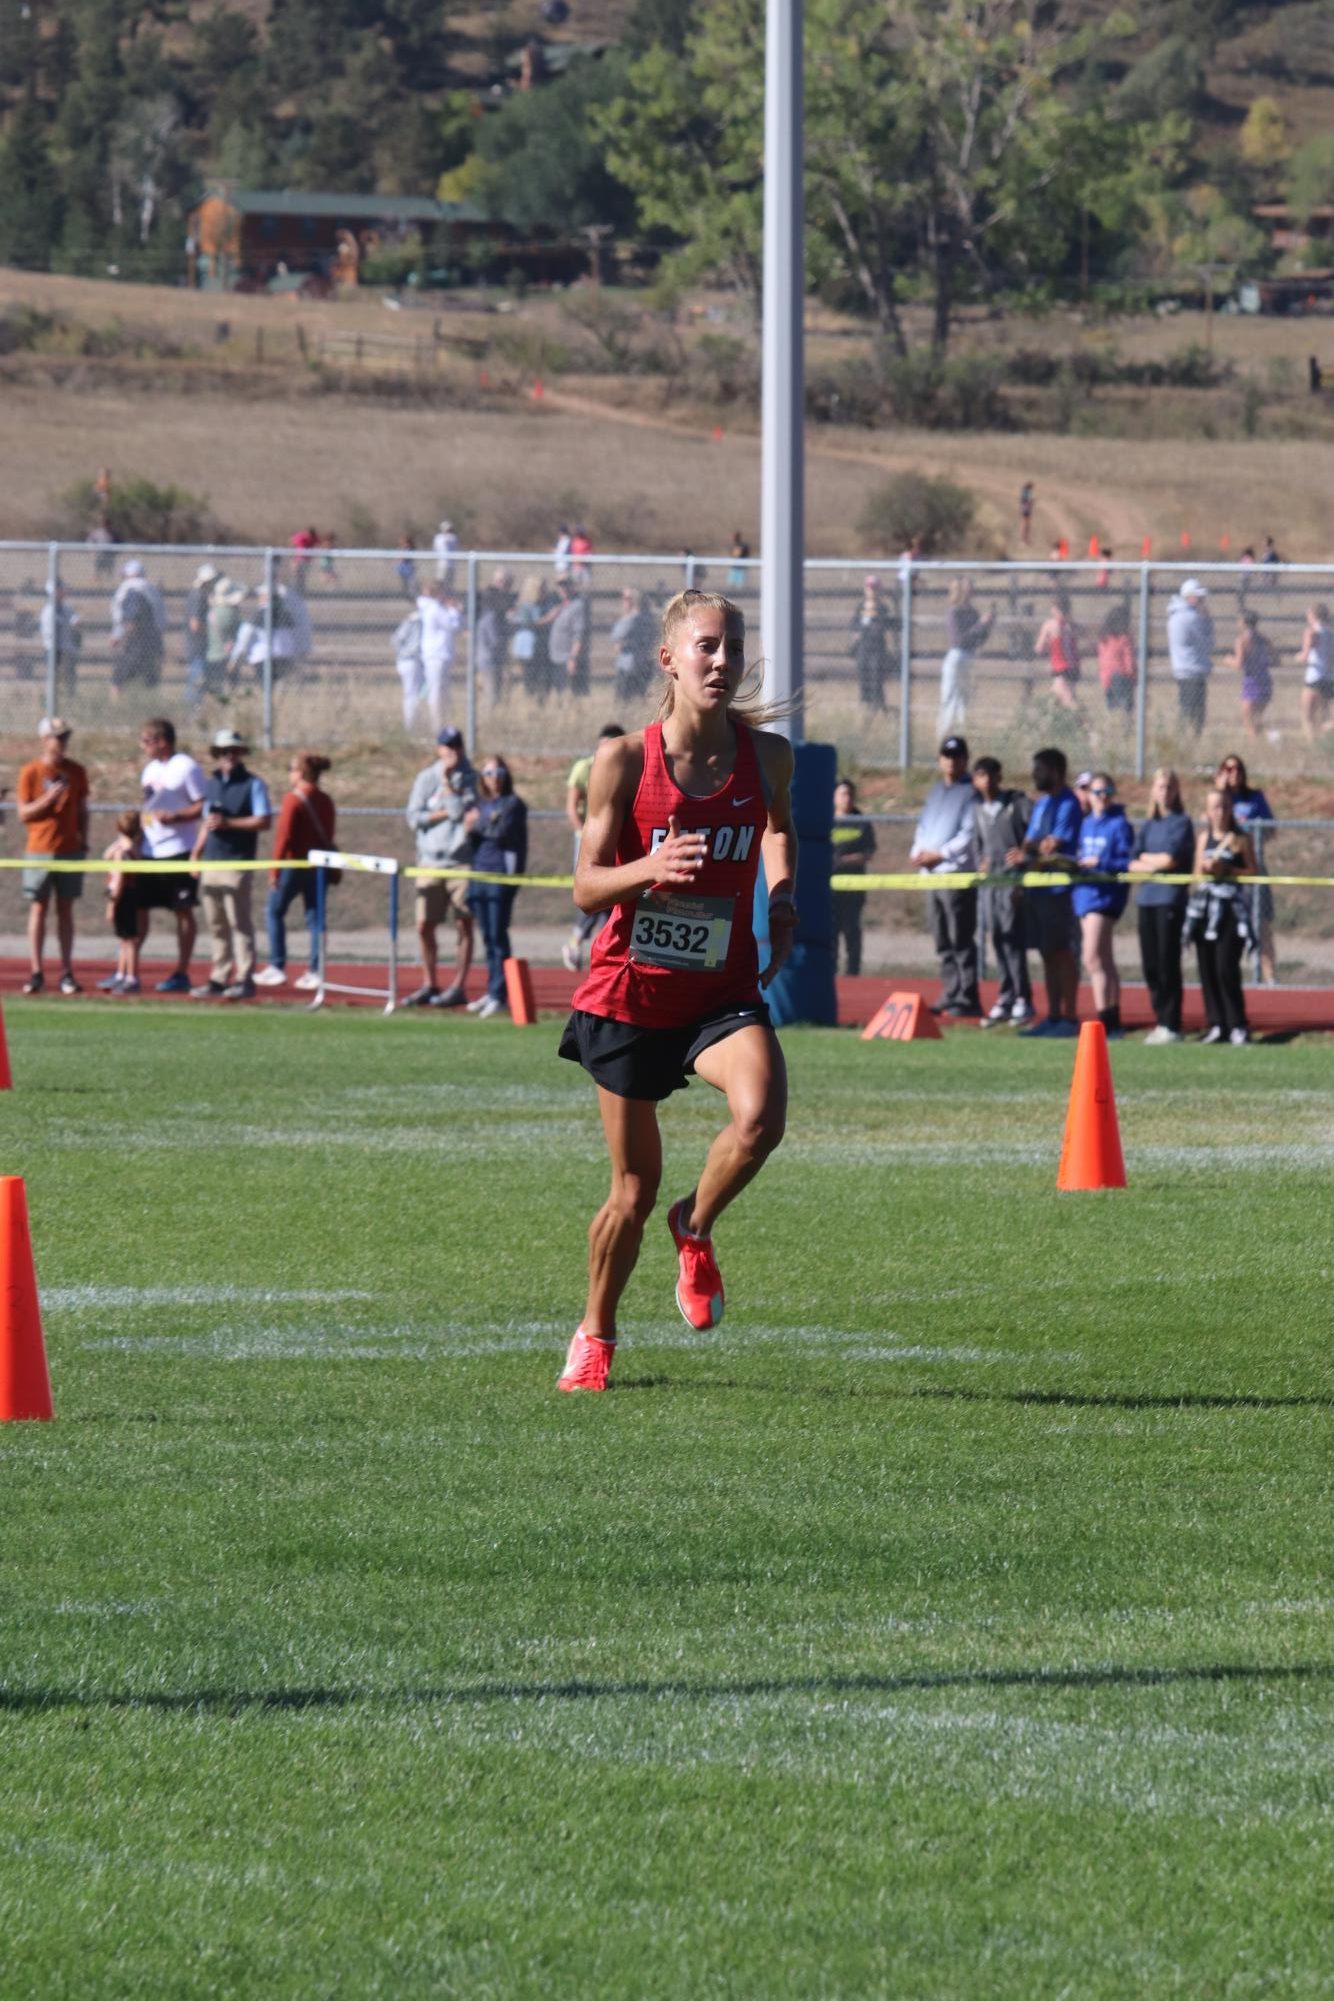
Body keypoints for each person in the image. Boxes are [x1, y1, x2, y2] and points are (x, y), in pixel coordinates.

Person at [555, 588, 797, 1394]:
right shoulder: (626, 761)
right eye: (706, 647)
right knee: (629, 1191)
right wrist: (648, 869)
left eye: (731, 646)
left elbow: (777, 824)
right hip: (629, 994)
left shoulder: (768, 757)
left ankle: (693, 1226)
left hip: (718, 991)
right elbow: (586, 887)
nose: (723, 660)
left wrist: (784, 895)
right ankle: (596, 1333)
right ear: (670, 658)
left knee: (760, 1118)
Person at [188, 728, 272, 1003]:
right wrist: (196, 854)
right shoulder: (211, 784)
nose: (230, 757)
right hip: (212, 860)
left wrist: (230, 824)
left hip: (236, 861)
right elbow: (206, 822)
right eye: (225, 752)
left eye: (234, 751)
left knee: (239, 922)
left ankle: (244, 977)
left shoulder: (253, 784)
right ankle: (219, 976)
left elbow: (263, 820)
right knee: (216, 924)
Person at [1009, 746, 1082, 1038]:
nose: (1034, 775)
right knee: (1047, 954)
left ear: (1055, 772)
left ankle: (1070, 1016)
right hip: (1037, 888)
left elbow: (1053, 846)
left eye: (1039, 769)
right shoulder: (1041, 805)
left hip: (1058, 889)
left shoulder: (1068, 804)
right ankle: (1052, 1016)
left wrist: (1033, 850)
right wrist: (1023, 876)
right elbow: (1031, 843)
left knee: (1063, 953)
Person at [404, 726, 476, 1008]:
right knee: (424, 925)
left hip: (461, 861)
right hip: (430, 860)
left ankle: (458, 985)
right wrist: (445, 810)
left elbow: (462, 812)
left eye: (457, 745)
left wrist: (448, 785)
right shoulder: (425, 778)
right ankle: (429, 982)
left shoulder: (471, 778)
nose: (452, 751)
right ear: (439, 749)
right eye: (447, 746)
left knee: (464, 923)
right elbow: (413, 817)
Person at [909, 735, 980, 1019]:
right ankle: (951, 992)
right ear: (941, 759)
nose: (951, 761)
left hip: (955, 875)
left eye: (957, 756)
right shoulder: (937, 790)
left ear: (965, 759)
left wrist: (940, 854)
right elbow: (923, 827)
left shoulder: (971, 792)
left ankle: (967, 996)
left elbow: (968, 834)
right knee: (942, 940)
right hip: (932, 876)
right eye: (947, 755)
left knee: (960, 938)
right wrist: (919, 853)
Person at [17, 716, 89, 996]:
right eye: (57, 737)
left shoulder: (76, 772)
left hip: (69, 850)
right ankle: (36, 971)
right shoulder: (31, 772)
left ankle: (67, 971)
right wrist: (48, 799)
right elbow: (24, 813)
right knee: (39, 908)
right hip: (39, 850)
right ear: (44, 740)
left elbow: (82, 808)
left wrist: (84, 839)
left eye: (65, 737)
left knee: (66, 910)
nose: (62, 743)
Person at [256, 752, 336, 991]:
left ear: (300, 773)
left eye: (292, 769)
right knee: (315, 919)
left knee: (273, 911)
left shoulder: (293, 799)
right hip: (318, 866)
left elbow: (284, 839)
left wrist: (274, 871)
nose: (290, 774)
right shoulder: (326, 800)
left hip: (294, 865)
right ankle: (315, 969)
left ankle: (277, 965)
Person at [138, 717, 206, 995]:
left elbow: (203, 805)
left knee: (182, 910)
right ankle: (129, 969)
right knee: (139, 907)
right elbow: (146, 807)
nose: (143, 747)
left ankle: (182, 970)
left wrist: (176, 816)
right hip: (150, 850)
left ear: (162, 741)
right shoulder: (149, 770)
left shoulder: (186, 767)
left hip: (178, 849)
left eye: (147, 741)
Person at [1127, 766, 1194, 1044]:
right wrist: (1152, 862)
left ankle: (1171, 1023)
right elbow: (1131, 863)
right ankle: (1160, 1020)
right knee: (1151, 964)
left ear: (1176, 791)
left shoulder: (1181, 822)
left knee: (1168, 962)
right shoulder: (1149, 825)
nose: (1164, 792)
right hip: (1147, 899)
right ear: (1153, 791)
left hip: (1169, 900)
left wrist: (1149, 861)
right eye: (1160, 787)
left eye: (1169, 787)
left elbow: (1170, 860)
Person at [1184, 787, 1255, 1045]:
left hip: (1230, 909)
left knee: (1227, 966)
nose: (1220, 812)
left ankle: (1238, 1024)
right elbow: (1195, 876)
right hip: (1205, 909)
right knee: (1207, 968)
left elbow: (1252, 872)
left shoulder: (1240, 839)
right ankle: (1216, 1024)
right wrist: (1205, 870)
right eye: (1215, 807)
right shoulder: (1203, 839)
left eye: (1225, 806)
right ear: (1208, 811)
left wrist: (1228, 869)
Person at [971, 756, 1034, 1027]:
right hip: (991, 884)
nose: (986, 781)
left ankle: (1023, 997)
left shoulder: (1016, 804)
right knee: (998, 938)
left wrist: (1026, 854)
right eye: (980, 775)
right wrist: (980, 863)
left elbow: (1035, 831)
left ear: (999, 776)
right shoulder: (978, 810)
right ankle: (1005, 996)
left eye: (991, 775)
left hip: (1011, 881)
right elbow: (978, 845)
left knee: (1014, 940)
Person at [464, 756, 528, 1018]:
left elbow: (500, 831)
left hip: (499, 876)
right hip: (478, 874)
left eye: (499, 772)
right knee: (487, 938)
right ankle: (492, 990)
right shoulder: (480, 803)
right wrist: (476, 825)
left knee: (497, 936)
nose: (495, 777)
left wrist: (477, 823)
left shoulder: (513, 804)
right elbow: (470, 833)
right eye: (489, 772)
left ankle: (500, 995)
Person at [1073, 772, 1134, 1038]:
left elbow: (1127, 863)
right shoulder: (1085, 824)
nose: (1102, 797)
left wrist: (1102, 865)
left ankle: (1105, 1019)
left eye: (1106, 791)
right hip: (1085, 895)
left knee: (1091, 957)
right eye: (1096, 792)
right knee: (1104, 959)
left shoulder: (1119, 825)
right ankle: (1112, 1017)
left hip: (1104, 897)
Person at [562, 722, 626, 971]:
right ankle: (578, 941)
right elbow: (572, 806)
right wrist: (585, 834)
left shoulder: (630, 764)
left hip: (618, 836)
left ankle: (596, 945)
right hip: (590, 835)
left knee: (611, 896)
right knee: (595, 894)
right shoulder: (584, 767)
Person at [1217, 753, 1277, 985]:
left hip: (1252, 866)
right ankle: (1229, 977)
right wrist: (1220, 792)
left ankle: (1269, 975)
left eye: (1238, 769)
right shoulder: (1218, 799)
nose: (1234, 774)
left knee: (1260, 923)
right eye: (1228, 769)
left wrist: (1249, 835)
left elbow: (1271, 829)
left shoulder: (1254, 798)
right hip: (1225, 868)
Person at [831, 776, 877, 976]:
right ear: (834, 797)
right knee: (830, 934)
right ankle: (829, 971)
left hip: (853, 889)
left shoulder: (861, 821)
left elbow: (868, 853)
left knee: (852, 933)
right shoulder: (826, 820)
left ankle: (853, 974)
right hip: (829, 891)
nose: (847, 798)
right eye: (842, 794)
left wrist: (843, 861)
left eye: (850, 794)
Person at [938, 578, 995, 738]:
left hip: (969, 657)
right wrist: (980, 625)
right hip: (957, 656)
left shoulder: (973, 612)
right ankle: (944, 734)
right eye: (968, 589)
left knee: (964, 699)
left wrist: (987, 626)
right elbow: (958, 639)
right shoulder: (954, 612)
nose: (971, 592)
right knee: (949, 696)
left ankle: (963, 735)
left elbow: (978, 639)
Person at [99, 809, 147, 995]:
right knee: (124, 939)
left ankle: (131, 977)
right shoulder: (134, 849)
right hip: (132, 896)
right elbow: (106, 855)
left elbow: (118, 881)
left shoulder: (124, 853)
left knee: (129, 940)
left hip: (124, 897)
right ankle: (121, 974)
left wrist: (112, 904)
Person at [109, 557, 166, 701]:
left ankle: (115, 710)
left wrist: (118, 635)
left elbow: (131, 617)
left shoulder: (131, 589)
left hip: (136, 643)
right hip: (153, 642)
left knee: (118, 679)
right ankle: (147, 709)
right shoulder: (150, 588)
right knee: (149, 680)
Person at [1166, 578, 1213, 736]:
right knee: (1196, 713)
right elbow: (1207, 640)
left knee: (1186, 708)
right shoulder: (1191, 618)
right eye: (1199, 597)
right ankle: (1190, 738)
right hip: (1193, 669)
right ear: (1190, 597)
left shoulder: (1175, 614)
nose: (1202, 600)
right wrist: (1207, 620)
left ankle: (1185, 736)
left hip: (1182, 669)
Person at [415, 582, 463, 733]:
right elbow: (452, 625)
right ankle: (436, 725)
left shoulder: (434, 608)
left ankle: (442, 721)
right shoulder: (434, 608)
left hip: (440, 654)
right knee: (436, 690)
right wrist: (454, 610)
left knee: (442, 690)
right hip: (436, 655)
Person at [850, 576, 893, 711]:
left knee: (876, 677)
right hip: (863, 647)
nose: (872, 591)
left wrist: (871, 620)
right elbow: (853, 624)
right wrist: (859, 629)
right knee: (863, 674)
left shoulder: (882, 608)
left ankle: (878, 705)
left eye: (874, 588)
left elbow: (881, 627)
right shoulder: (861, 607)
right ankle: (865, 702)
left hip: (877, 648)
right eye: (869, 588)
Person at [1232, 610, 1276, 740]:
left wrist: (1227, 660)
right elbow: (1276, 660)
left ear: (1245, 623)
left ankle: (1255, 744)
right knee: (1257, 717)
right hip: (1265, 680)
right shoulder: (1263, 639)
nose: (1237, 624)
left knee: (1248, 719)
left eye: (1239, 621)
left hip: (1251, 681)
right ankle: (1263, 739)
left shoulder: (1241, 640)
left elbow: (1239, 663)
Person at [38, 582, 82, 712]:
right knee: (54, 679)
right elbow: (50, 635)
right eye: (59, 591)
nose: (63, 593)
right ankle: (51, 706)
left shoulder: (66, 608)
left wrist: (76, 624)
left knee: (70, 680)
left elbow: (75, 621)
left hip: (67, 650)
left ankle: (69, 703)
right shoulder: (49, 611)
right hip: (54, 651)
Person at [1034, 594, 1081, 711]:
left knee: (1069, 703)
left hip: (1060, 668)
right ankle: (1051, 726)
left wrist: (1048, 644)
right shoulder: (1072, 625)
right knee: (1053, 702)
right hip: (1073, 668)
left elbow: (1039, 648)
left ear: (1055, 608)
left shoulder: (1050, 625)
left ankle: (1086, 727)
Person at [610, 588, 658, 702]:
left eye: (627, 598)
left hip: (629, 665)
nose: (624, 601)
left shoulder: (634, 618)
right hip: (643, 664)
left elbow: (616, 634)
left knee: (623, 699)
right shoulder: (649, 618)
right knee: (639, 698)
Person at [475, 570, 514, 708]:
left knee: (496, 692)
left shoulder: (496, 614)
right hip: (488, 658)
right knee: (490, 693)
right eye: (503, 582)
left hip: (493, 657)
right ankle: (487, 719)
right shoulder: (490, 613)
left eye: (509, 583)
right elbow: (494, 640)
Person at [546, 577, 590, 698]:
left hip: (568, 658)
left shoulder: (577, 606)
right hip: (556, 658)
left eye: (566, 585)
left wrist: (573, 657)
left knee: (571, 695)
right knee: (560, 695)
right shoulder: (559, 605)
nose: (563, 589)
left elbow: (579, 634)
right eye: (561, 586)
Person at [183, 564, 219, 711]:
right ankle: (192, 708)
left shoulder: (202, 595)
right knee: (196, 677)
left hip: (200, 645)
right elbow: (195, 624)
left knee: (200, 676)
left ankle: (196, 706)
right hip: (198, 645)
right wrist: (212, 633)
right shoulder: (198, 596)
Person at [1297, 602, 1334, 742]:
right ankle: (1326, 741)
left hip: (1314, 676)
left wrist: (1298, 657)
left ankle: (1312, 744)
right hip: (1329, 676)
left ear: (1314, 615)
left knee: (1307, 716)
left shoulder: (1311, 632)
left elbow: (1305, 656)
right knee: (1324, 716)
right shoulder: (1331, 633)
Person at [1097, 600, 1135, 723]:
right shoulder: (1124, 638)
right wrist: (1132, 674)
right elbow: (1128, 658)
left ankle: (1113, 726)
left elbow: (1102, 659)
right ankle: (1125, 727)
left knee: (1112, 705)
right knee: (1125, 705)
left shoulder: (1104, 638)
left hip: (1106, 677)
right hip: (1121, 675)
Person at [393, 598, 425, 732]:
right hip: (410, 660)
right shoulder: (415, 621)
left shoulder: (416, 619)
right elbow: (396, 639)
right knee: (411, 694)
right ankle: (411, 725)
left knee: (415, 693)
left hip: (410, 660)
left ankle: (414, 723)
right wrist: (406, 653)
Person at [433, 518, 459, 587]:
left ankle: (447, 595)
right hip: (442, 563)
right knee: (440, 581)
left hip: (451, 564)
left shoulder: (453, 537)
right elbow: (436, 549)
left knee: (449, 582)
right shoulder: (438, 537)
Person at [1018, 481, 1034, 547]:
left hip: (1025, 509)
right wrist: (1032, 501)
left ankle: (1025, 540)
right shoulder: (1026, 492)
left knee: (1026, 526)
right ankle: (1023, 541)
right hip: (1026, 510)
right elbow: (1026, 501)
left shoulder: (1025, 491)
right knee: (1025, 525)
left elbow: (1023, 501)